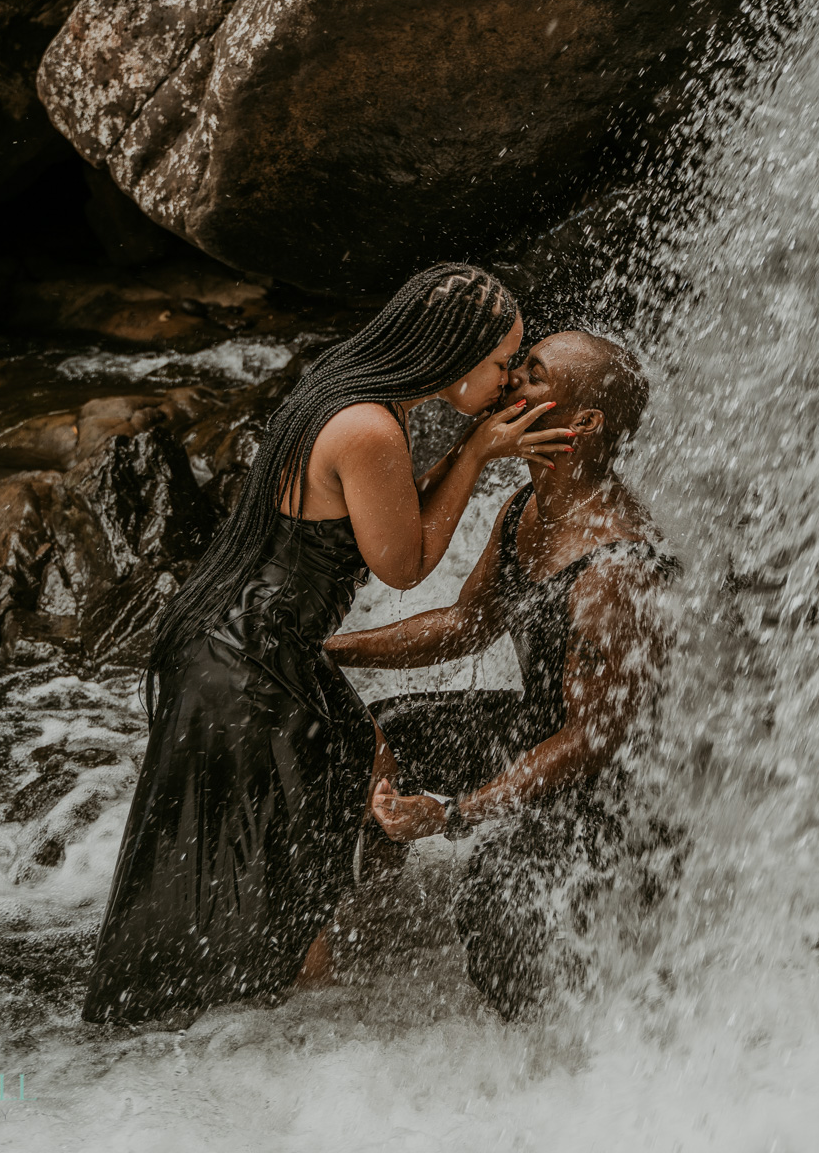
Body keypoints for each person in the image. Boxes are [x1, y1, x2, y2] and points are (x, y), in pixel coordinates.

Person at [82, 264, 575, 1025]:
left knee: (346, 771)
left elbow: (393, 518)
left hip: (237, 645)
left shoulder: (352, 389)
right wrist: (477, 455)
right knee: (290, 841)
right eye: (504, 360)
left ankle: (265, 991)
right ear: (453, 351)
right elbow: (403, 563)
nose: (511, 377)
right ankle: (296, 1010)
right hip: (252, 663)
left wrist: (469, 450)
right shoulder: (371, 428)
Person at [313, 330, 674, 1018]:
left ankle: (535, 1057)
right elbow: (466, 625)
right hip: (534, 728)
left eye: (533, 376)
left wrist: (454, 814)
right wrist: (333, 647)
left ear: (584, 423)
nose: (510, 383)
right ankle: (369, 934)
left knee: (493, 888)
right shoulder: (526, 509)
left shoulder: (617, 568)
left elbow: (591, 742)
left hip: (612, 789)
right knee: (375, 742)